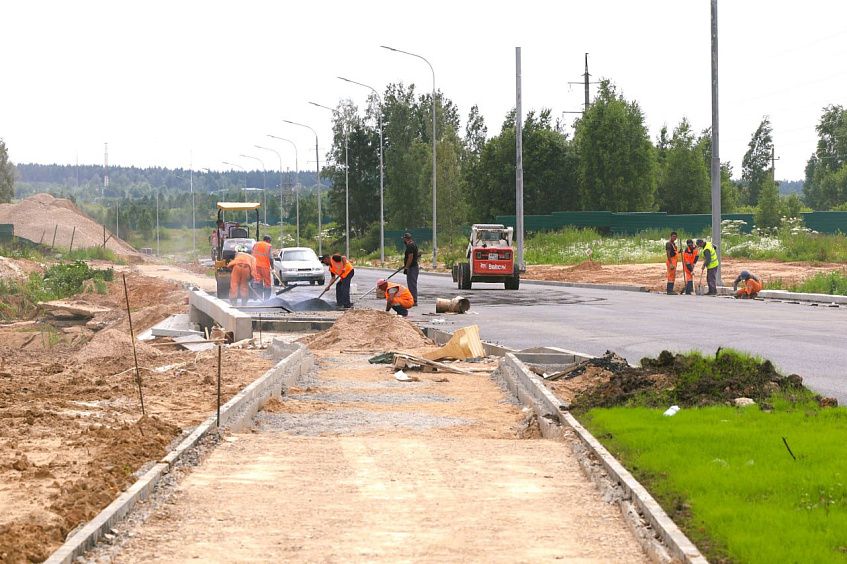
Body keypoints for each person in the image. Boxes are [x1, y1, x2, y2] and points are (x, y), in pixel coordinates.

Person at [252, 235, 273, 300]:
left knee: (258, 281)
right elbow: (271, 258)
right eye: (270, 241)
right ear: (268, 240)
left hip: (256, 266)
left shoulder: (256, 244)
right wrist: (273, 268)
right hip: (265, 267)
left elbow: (252, 254)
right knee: (267, 283)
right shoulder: (268, 246)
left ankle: (259, 298)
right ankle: (266, 299)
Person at [402, 232, 420, 306]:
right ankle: (412, 300)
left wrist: (406, 267)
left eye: (404, 239)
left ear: (406, 239)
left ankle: (414, 301)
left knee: (412, 285)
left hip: (412, 268)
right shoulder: (413, 244)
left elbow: (410, 257)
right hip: (413, 267)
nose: (403, 240)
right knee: (411, 284)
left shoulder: (410, 246)